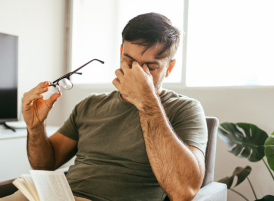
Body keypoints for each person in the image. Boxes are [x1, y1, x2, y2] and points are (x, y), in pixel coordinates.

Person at [22, 13, 207, 201]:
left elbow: (184, 191)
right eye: (129, 61)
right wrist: (35, 128)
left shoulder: (185, 109)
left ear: (169, 68)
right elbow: (45, 166)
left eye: (150, 67)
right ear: (120, 53)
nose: (135, 72)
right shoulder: (90, 105)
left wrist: (147, 102)